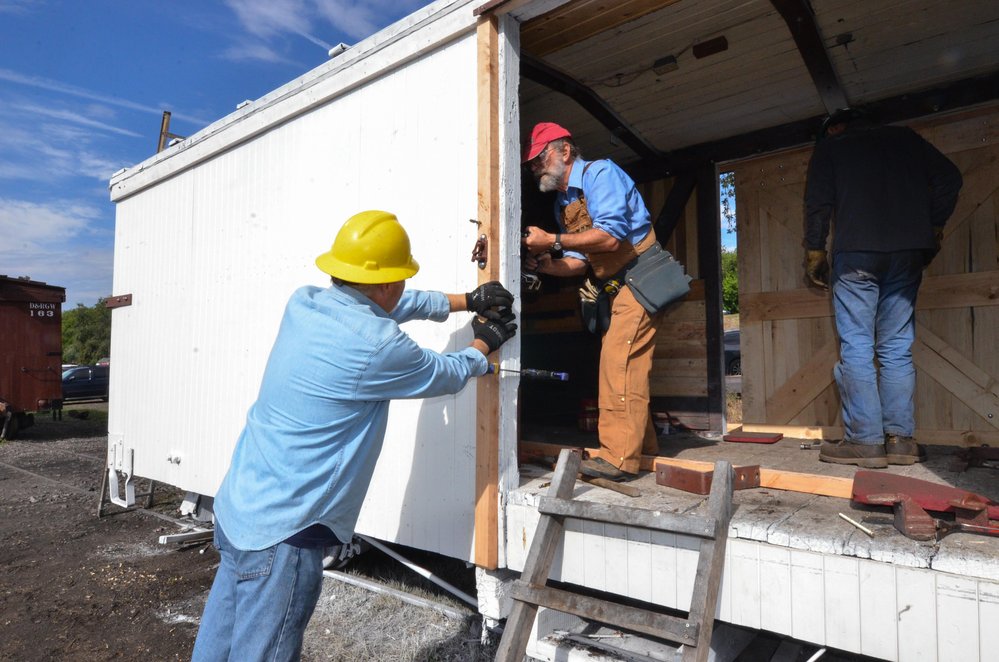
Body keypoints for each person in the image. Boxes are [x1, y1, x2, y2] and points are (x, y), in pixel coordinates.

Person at [191, 210, 516, 661]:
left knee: (219, 645)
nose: (403, 286)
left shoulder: (305, 303)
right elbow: (441, 373)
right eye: (401, 278)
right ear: (385, 284)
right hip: (285, 533)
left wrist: (466, 300)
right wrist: (484, 344)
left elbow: (385, 305)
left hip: (241, 508)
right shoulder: (379, 347)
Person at [804, 108, 962, 468]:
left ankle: (865, 441)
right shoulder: (907, 139)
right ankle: (900, 441)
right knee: (896, 347)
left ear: (836, 128)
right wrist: (934, 225)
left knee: (858, 344)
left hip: (856, 253)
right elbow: (950, 179)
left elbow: (818, 203)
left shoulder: (832, 148)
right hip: (907, 253)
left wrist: (815, 251)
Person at [521, 121, 662, 482]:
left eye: (541, 158)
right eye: (532, 163)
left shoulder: (601, 174)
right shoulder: (564, 203)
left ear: (565, 151)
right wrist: (549, 265)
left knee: (618, 363)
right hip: (614, 286)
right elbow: (581, 262)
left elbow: (612, 239)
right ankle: (644, 452)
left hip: (640, 277)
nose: (536, 167)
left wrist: (552, 240)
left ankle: (618, 460)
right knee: (625, 365)